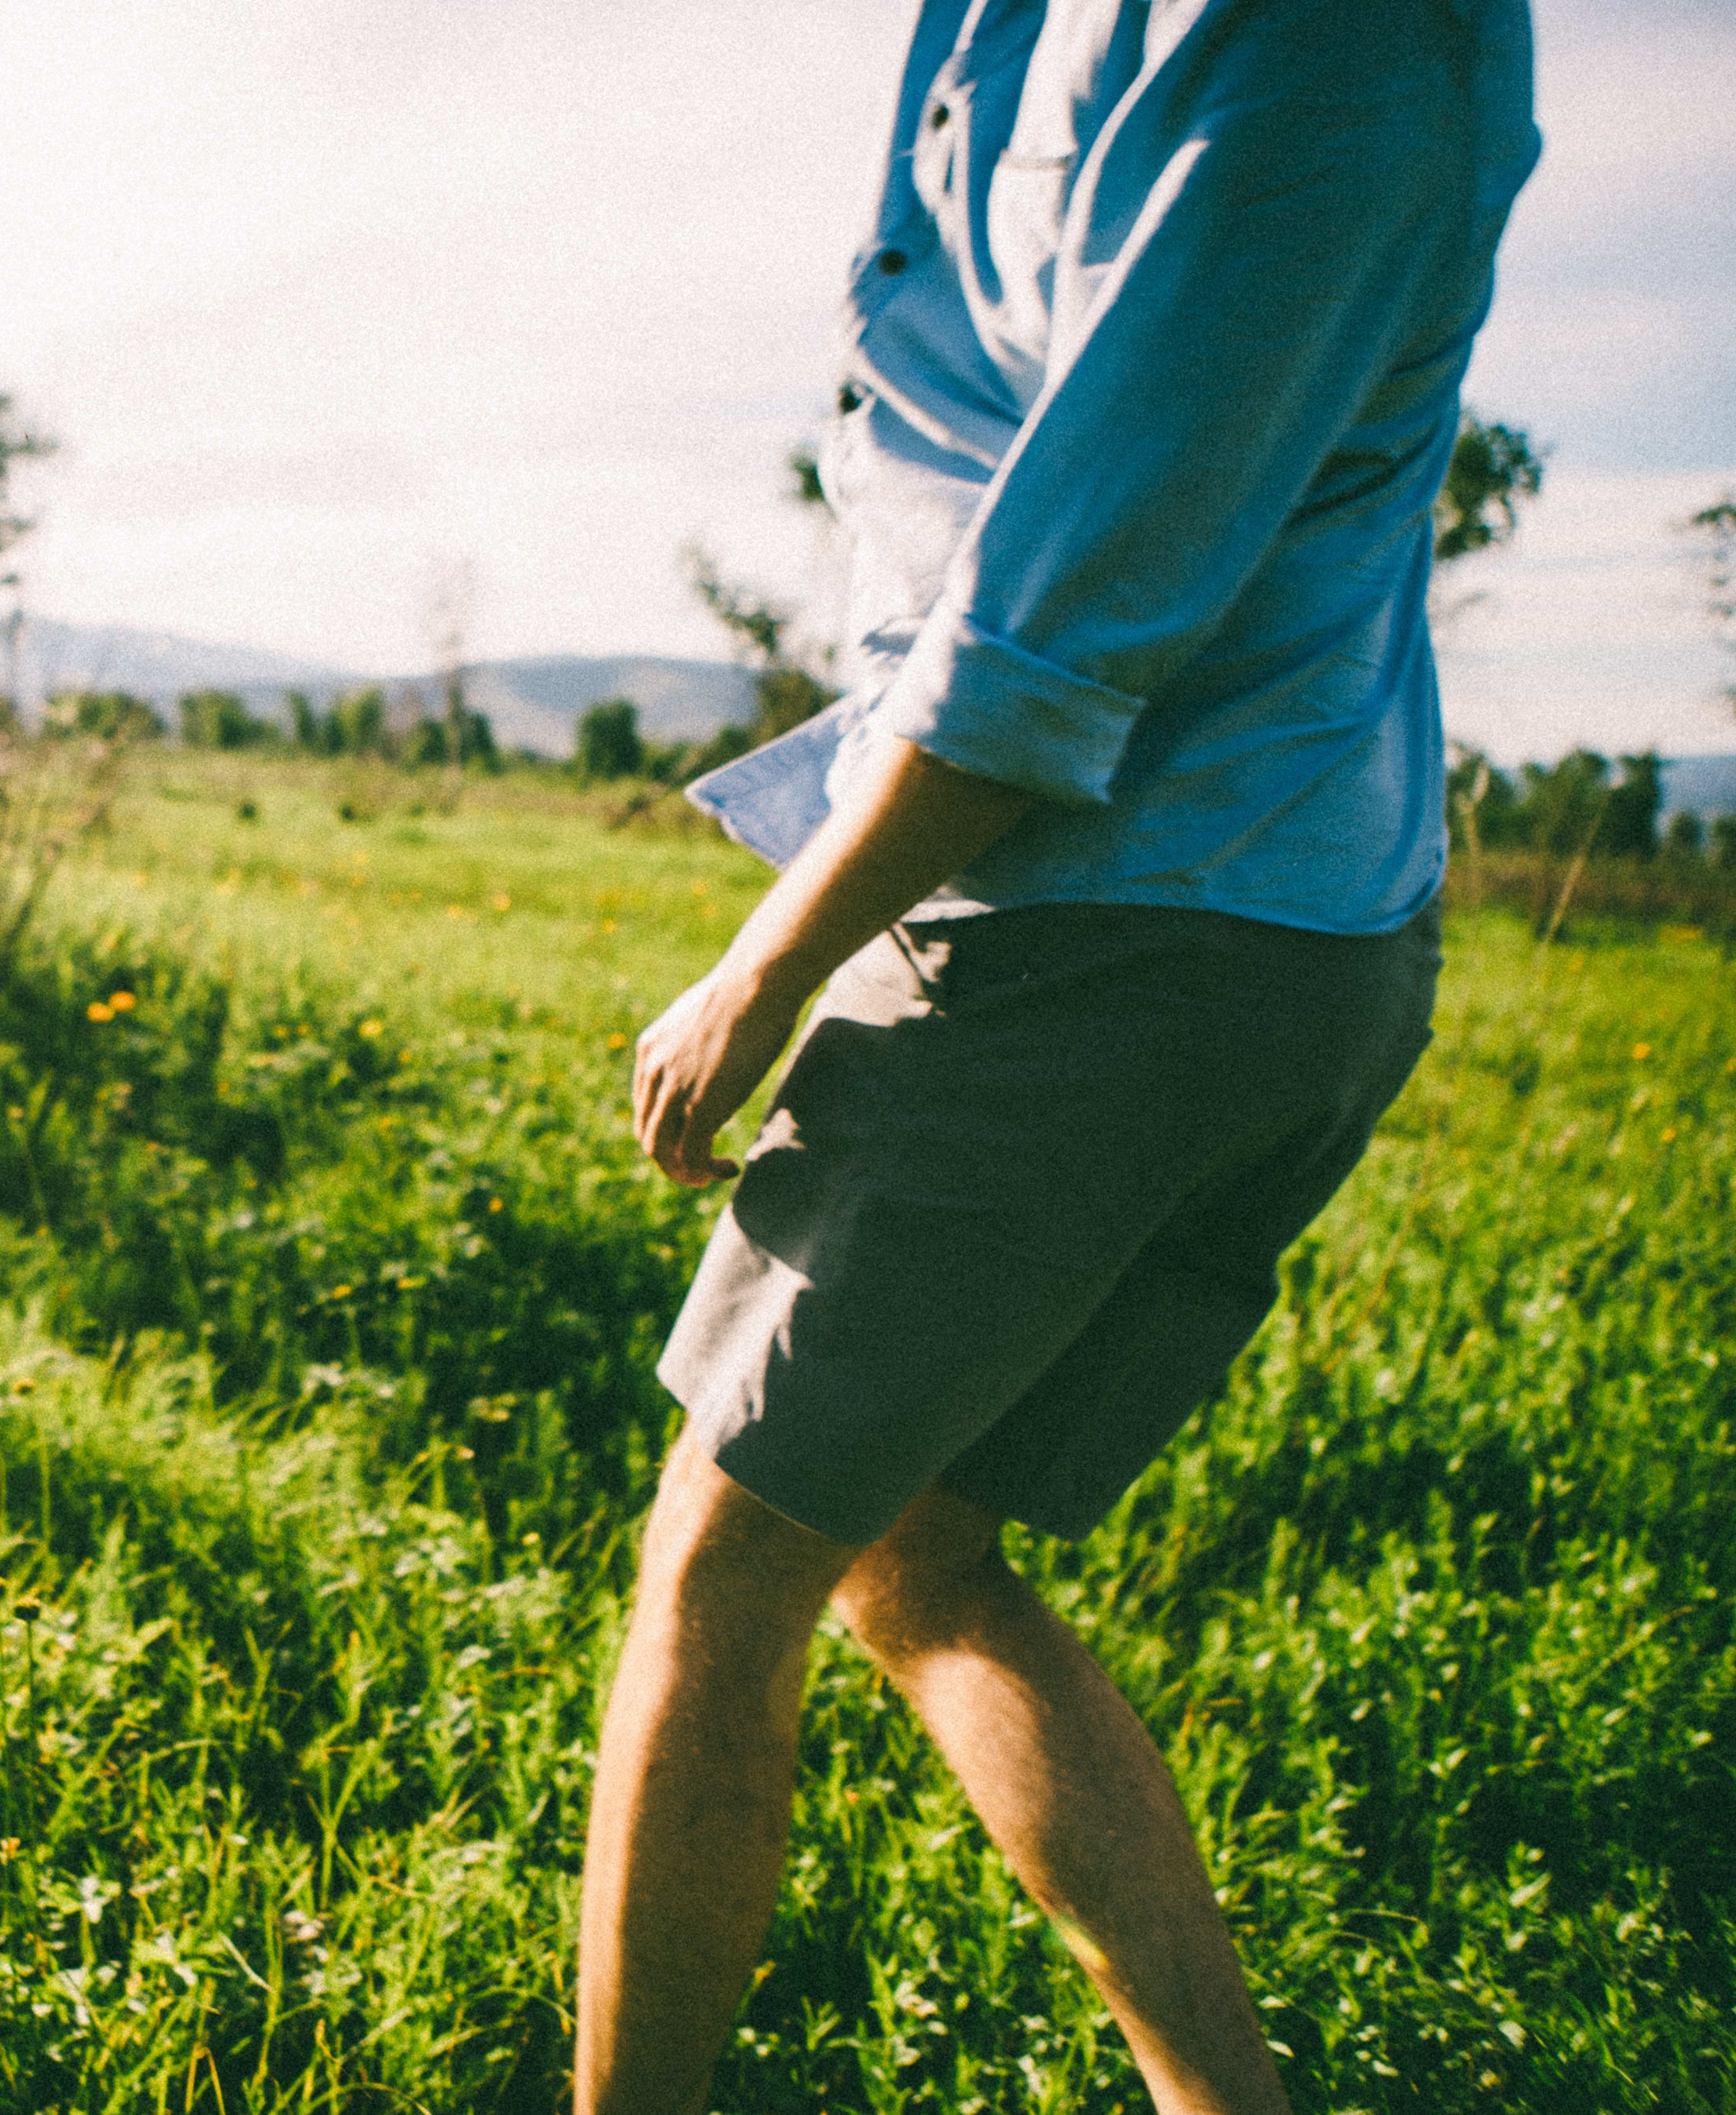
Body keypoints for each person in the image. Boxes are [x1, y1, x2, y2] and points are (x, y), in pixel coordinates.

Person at [576, 3, 1539, 2112]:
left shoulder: (1330, 42)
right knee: (916, 1544)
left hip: (1105, 922)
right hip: (1268, 919)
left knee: (723, 1563)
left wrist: (763, 964)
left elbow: (1057, 639)